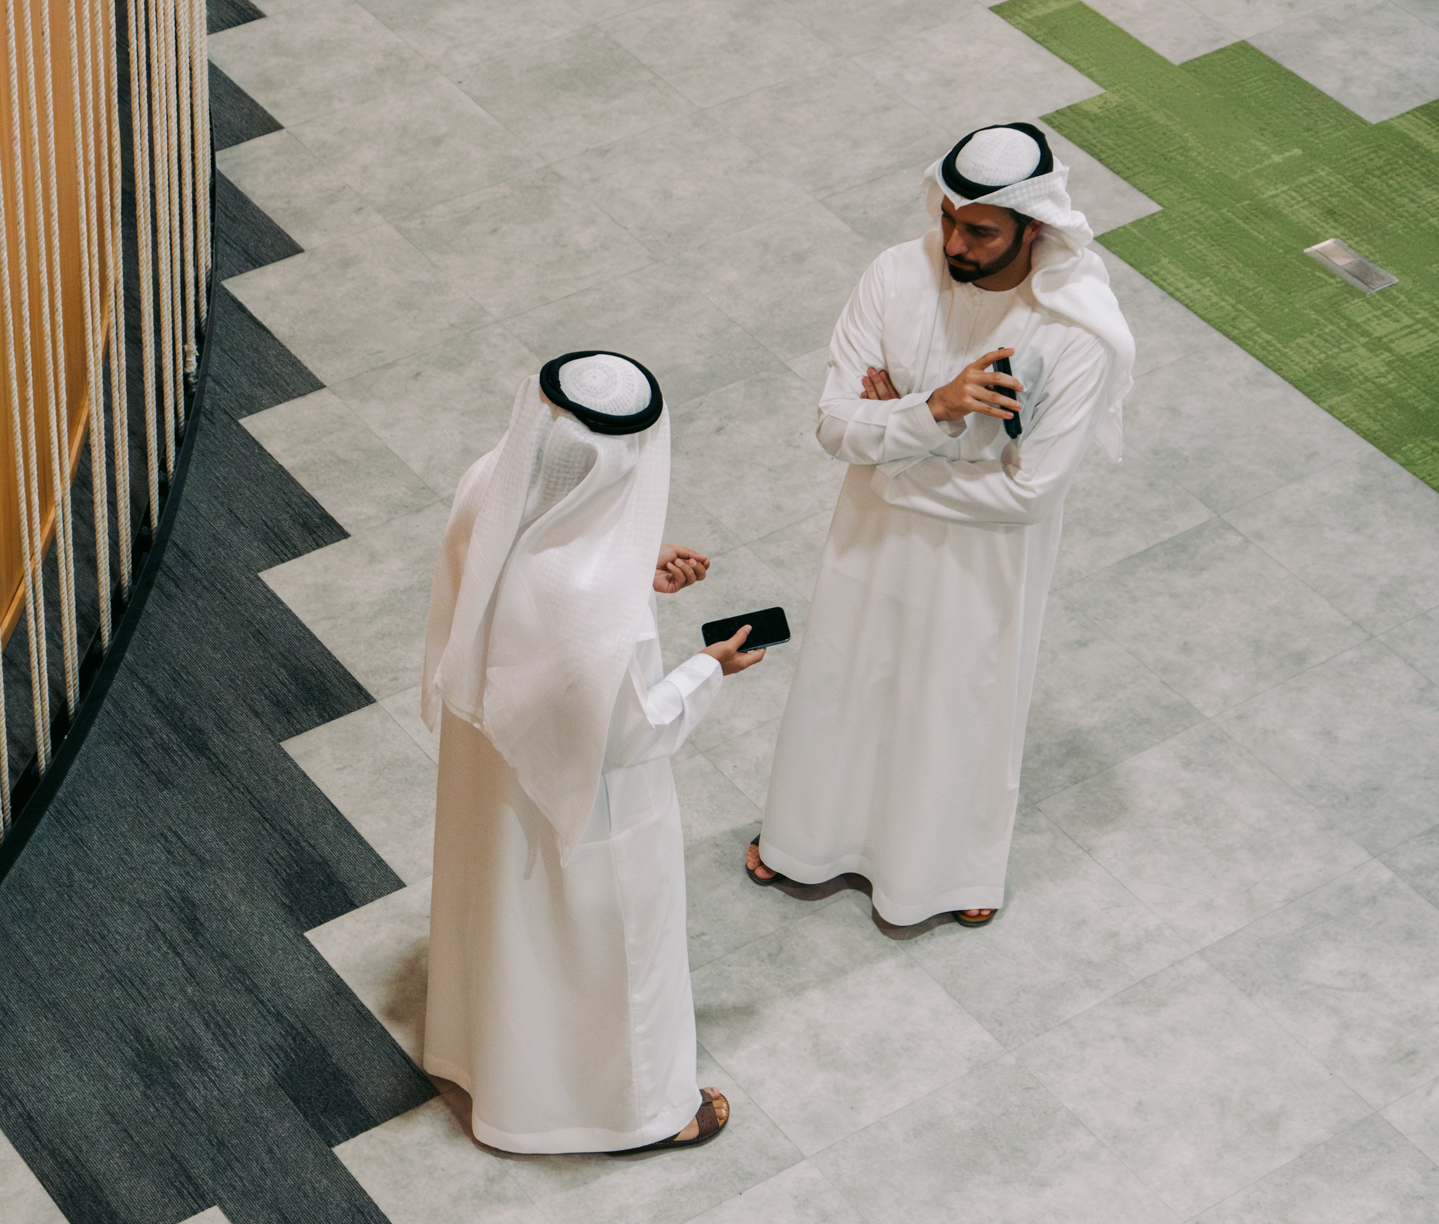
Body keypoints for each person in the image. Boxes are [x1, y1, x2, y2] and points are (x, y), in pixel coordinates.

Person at [748, 123, 1134, 927]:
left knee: (956, 704)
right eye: (949, 217)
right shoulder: (896, 275)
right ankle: (804, 843)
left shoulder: (1074, 333)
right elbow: (832, 429)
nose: (955, 240)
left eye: (980, 229)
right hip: (872, 541)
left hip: (982, 562)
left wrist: (893, 450)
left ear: (1035, 227)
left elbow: (1030, 495)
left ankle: (943, 877)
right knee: (845, 683)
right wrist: (936, 411)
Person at [420, 351, 763, 1154]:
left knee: (505, 919)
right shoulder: (600, 607)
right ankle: (645, 1113)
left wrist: (632, 561)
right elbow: (638, 732)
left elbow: (537, 545)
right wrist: (710, 667)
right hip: (584, 799)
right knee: (616, 949)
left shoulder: (490, 483)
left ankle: (490, 1069)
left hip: (490, 759)